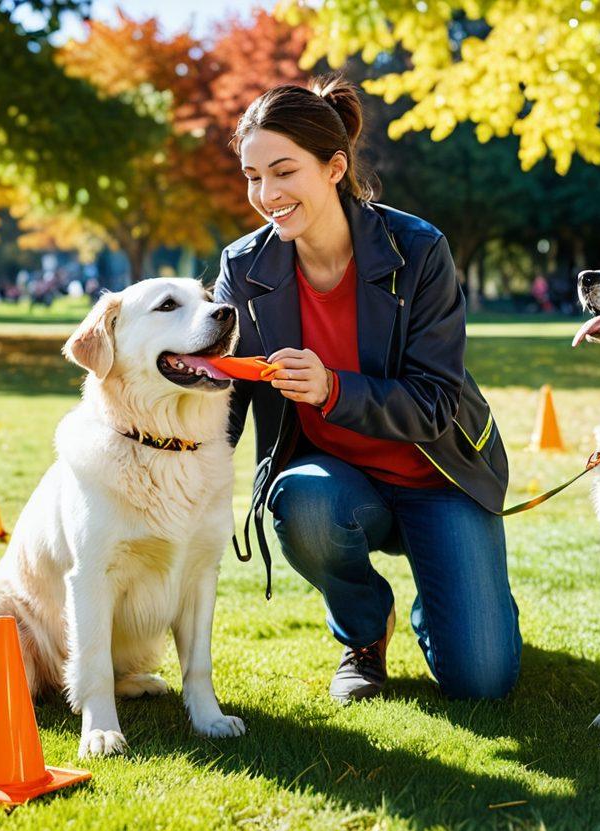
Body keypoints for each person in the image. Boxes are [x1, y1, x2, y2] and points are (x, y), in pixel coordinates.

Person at [214, 76, 520, 704]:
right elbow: (223, 390)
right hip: (333, 485)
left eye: (283, 171)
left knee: (482, 680)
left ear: (334, 167)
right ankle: (364, 629)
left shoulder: (418, 249)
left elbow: (436, 400)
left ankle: (452, 597)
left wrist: (331, 388)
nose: (266, 195)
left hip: (441, 476)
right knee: (300, 502)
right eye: (252, 176)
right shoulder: (244, 268)